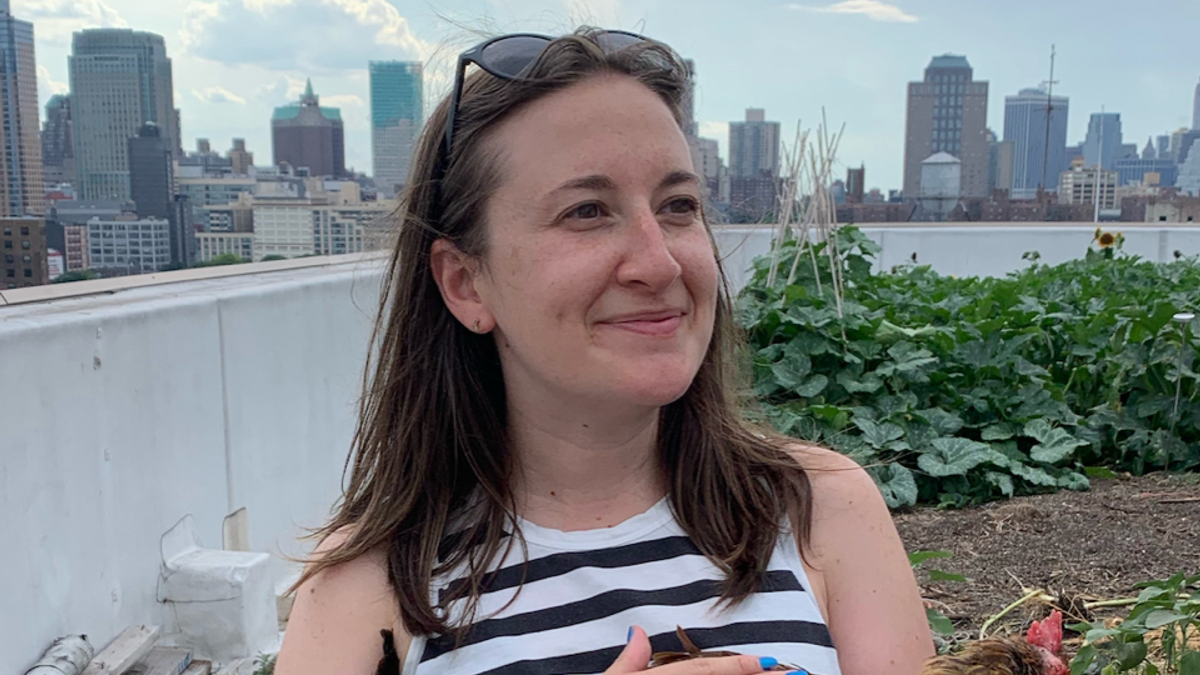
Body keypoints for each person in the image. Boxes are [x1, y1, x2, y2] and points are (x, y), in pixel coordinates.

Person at [274, 27, 932, 675]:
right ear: (465, 282)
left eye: (678, 205)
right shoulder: (367, 590)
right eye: (587, 211)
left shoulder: (822, 508)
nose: (659, 261)